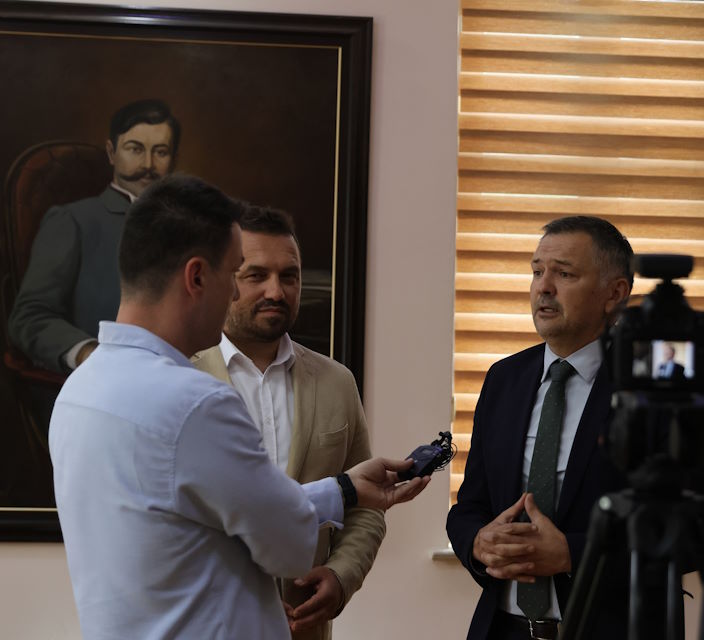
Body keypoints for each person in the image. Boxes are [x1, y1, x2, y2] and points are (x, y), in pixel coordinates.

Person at [49, 175, 429, 640]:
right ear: (196, 277)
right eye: (235, 273)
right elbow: (287, 545)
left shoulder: (80, 389)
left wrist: (345, 490)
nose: (234, 294)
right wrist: (342, 492)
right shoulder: (194, 403)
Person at [192, 205, 382, 639]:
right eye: (256, 275)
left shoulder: (336, 382)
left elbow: (365, 507)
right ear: (224, 279)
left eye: (289, 276)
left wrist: (340, 575)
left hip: (303, 629)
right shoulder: (181, 378)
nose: (276, 291)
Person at [447, 216, 633, 640]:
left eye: (564, 274)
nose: (543, 287)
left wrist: (572, 554)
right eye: (536, 272)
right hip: (503, 630)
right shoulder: (503, 379)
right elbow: (470, 506)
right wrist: (478, 542)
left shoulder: (653, 388)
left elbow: (691, 535)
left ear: (614, 293)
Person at [8, 98, 179, 373]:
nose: (148, 163)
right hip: (108, 379)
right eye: (135, 149)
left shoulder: (189, 224)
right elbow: (30, 318)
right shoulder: (73, 220)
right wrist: (89, 355)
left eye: (160, 152)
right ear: (111, 152)